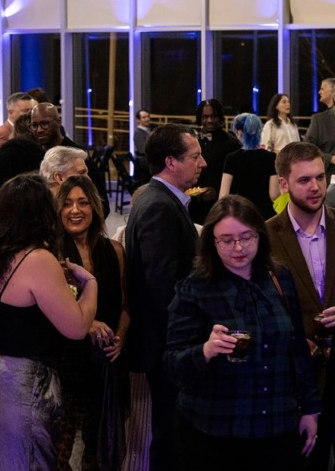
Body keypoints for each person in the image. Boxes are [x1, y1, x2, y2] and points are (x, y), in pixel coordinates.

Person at [165, 196, 321, 470]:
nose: (238, 247)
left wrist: (310, 408)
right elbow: (172, 366)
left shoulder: (278, 278)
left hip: (277, 425)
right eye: (226, 240)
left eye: (247, 237)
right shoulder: (195, 288)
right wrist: (206, 350)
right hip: (216, 431)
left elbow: (297, 348)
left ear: (260, 236)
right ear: (212, 242)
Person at [0, 174, 98, 470]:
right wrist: (90, 286)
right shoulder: (38, 259)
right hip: (19, 380)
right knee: (27, 460)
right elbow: (76, 328)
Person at [265, 142, 335, 471]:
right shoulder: (266, 236)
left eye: (319, 177)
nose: (315, 187)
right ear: (284, 184)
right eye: (304, 180)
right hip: (295, 379)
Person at [124, 123, 205, 470]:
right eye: (195, 156)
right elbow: (163, 286)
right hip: (170, 347)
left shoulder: (158, 199)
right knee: (173, 440)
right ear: (171, 162)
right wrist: (186, 344)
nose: (202, 163)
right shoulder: (159, 205)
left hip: (168, 344)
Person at [56, 175, 130, 470]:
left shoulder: (115, 251)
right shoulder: (51, 254)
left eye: (83, 202)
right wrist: (86, 324)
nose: (75, 210)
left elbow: (126, 306)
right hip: (64, 365)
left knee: (100, 450)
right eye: (68, 203)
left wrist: (122, 336)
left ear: (95, 209)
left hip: (105, 366)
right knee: (59, 450)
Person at [218, 113, 280, 220]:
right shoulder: (271, 157)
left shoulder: (231, 158)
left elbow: (223, 196)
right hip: (265, 216)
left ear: (239, 133)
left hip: (240, 215)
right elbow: (274, 194)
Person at [190, 99, 240, 225]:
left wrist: (217, 191)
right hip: (195, 206)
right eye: (205, 117)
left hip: (221, 207)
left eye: (213, 116)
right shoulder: (194, 142)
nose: (210, 120)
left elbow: (237, 177)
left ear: (220, 117)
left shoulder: (231, 143)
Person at [0, 91, 33, 162]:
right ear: (11, 113)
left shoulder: (27, 130)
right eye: (25, 110)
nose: (30, 114)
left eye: (32, 110)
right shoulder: (2, 133)